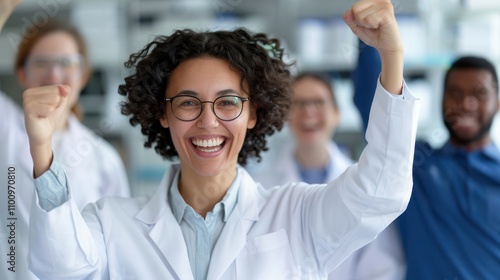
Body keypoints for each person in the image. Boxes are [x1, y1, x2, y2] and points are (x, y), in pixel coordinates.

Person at [25, 0, 420, 279]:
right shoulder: (112, 222)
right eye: (187, 103)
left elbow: (382, 191)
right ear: (162, 114)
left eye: (228, 103)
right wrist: (42, 148)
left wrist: (392, 57)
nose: (208, 122)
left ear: (253, 113)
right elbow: (60, 267)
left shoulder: (298, 216)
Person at [0, 1, 130, 279]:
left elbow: (119, 253)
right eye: (41, 63)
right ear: (22, 73)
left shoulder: (103, 159)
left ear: (83, 75)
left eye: (67, 63)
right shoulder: (5, 130)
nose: (54, 75)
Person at [354, 40, 500, 277]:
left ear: (497, 104)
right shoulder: (415, 167)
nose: (466, 103)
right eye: (455, 93)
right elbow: (376, 111)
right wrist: (371, 38)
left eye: (480, 93)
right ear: (441, 99)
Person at [247, 72, 405, 279]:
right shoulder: (259, 187)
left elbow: (382, 269)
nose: (309, 111)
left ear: (337, 113)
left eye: (319, 102)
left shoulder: (365, 185)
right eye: (299, 103)